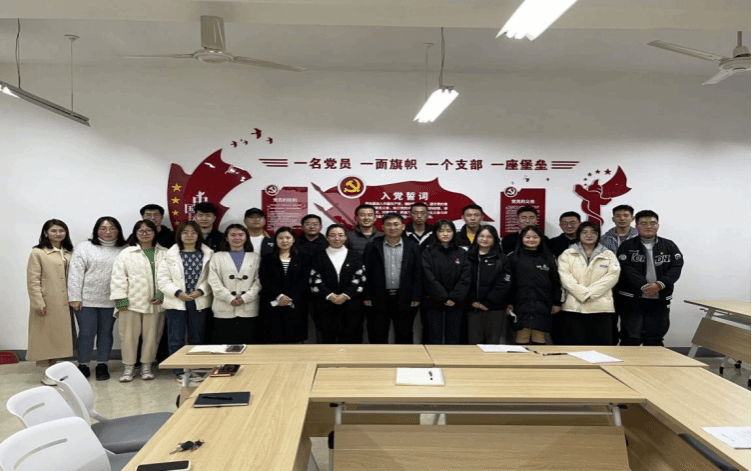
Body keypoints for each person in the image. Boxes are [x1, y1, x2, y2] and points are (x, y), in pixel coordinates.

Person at [67, 216, 127, 381]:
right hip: (86, 300)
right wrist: (74, 296)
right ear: (96, 230)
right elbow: (75, 273)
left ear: (118, 231)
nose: (108, 232)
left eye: (112, 228)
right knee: (86, 333)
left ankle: (102, 364)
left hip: (112, 300)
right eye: (103, 228)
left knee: (106, 333)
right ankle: (83, 364)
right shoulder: (84, 247)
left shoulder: (125, 249)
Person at [615, 210, 683, 346]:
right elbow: (625, 269)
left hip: (660, 298)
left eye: (652, 223)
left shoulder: (669, 245)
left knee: (655, 338)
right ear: (637, 226)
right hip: (632, 298)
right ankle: (628, 360)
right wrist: (643, 286)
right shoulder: (627, 246)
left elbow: (676, 267)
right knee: (630, 337)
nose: (648, 226)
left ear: (658, 225)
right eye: (643, 223)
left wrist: (659, 284)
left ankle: (654, 360)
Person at [110, 220, 167, 382]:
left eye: (149, 230)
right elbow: (118, 277)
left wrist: (162, 294)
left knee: (152, 336)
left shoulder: (165, 253)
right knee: (128, 337)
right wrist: (120, 298)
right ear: (135, 234)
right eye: (141, 231)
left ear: (155, 233)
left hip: (155, 303)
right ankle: (128, 367)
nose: (145, 234)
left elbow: (171, 276)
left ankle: (146, 366)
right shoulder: (126, 253)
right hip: (130, 303)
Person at [158, 221, 213, 376]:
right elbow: (162, 279)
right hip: (176, 301)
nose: (189, 236)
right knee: (176, 338)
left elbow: (212, 277)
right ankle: (179, 370)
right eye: (185, 232)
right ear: (179, 235)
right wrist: (177, 293)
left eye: (193, 232)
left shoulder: (208, 254)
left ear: (198, 235)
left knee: (197, 338)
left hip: (199, 301)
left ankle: (195, 368)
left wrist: (201, 291)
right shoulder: (170, 255)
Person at [26, 219, 76, 385]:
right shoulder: (38, 252)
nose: (58, 234)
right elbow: (33, 280)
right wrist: (38, 302)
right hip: (47, 301)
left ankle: (54, 369)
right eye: (54, 231)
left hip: (64, 302)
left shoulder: (68, 252)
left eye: (61, 230)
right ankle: (45, 372)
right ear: (46, 233)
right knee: (44, 337)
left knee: (57, 337)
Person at [556, 222, 621, 345]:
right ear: (578, 235)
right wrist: (582, 294)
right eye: (584, 232)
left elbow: (612, 276)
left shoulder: (608, 254)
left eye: (593, 232)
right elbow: (565, 277)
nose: (589, 235)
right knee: (574, 345)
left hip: (601, 307)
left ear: (598, 235)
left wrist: (590, 294)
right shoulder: (567, 254)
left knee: (601, 346)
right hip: (574, 307)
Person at [362, 213, 422, 344]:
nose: (392, 228)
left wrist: (416, 296)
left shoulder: (413, 247)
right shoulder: (372, 246)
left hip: (405, 297)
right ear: (382, 227)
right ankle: (379, 358)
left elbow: (418, 273)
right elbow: (366, 273)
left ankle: (404, 358)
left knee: (404, 333)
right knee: (378, 333)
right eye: (388, 225)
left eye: (396, 224)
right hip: (378, 297)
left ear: (403, 226)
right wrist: (367, 296)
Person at [310, 224, 367, 343]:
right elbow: (314, 278)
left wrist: (345, 295)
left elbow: (360, 277)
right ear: (326, 238)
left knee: (350, 339)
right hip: (325, 305)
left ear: (346, 237)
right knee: (327, 339)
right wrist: (329, 295)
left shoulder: (355, 256)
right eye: (332, 235)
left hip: (351, 304)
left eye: (340, 235)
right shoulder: (318, 256)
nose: (337, 238)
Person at [506, 225, 562, 346]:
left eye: (535, 237)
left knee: (539, 334)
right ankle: (521, 359)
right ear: (521, 238)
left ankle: (539, 358)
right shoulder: (513, 257)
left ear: (541, 238)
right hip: (519, 303)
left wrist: (557, 302)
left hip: (543, 303)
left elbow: (556, 281)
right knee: (522, 333)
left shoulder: (549, 258)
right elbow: (507, 282)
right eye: (527, 237)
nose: (531, 240)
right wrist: (508, 302)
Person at [207, 224, 261, 344]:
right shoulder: (217, 257)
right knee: (224, 344)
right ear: (226, 238)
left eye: (241, 235)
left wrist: (246, 297)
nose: (237, 238)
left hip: (248, 308)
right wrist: (228, 297)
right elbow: (213, 281)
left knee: (248, 344)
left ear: (246, 237)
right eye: (233, 235)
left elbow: (259, 281)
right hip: (223, 307)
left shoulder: (255, 257)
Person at [421, 220, 471, 345]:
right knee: (434, 336)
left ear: (454, 233)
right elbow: (428, 277)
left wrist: (454, 297)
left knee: (453, 337)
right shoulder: (427, 252)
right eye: (441, 231)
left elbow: (465, 277)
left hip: (456, 302)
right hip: (434, 301)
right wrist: (443, 297)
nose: (445, 234)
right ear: (435, 233)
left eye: (449, 231)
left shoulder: (462, 252)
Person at [260, 227, 311, 343]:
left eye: (288, 237)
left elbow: (304, 280)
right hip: (273, 303)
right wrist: (279, 296)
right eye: (281, 238)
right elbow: (264, 279)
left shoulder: (303, 258)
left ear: (293, 240)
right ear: (276, 240)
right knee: (274, 337)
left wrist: (289, 296)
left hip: (296, 303)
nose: (284, 241)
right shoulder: (267, 258)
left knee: (294, 338)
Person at [466, 225, 512, 345]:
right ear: (476, 237)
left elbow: (504, 282)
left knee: (493, 343)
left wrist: (488, 302)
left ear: (494, 239)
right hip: (473, 307)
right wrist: (472, 299)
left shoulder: (502, 258)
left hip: (495, 308)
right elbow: (463, 280)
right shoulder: (468, 257)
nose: (485, 239)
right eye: (481, 236)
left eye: (489, 237)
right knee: (474, 344)